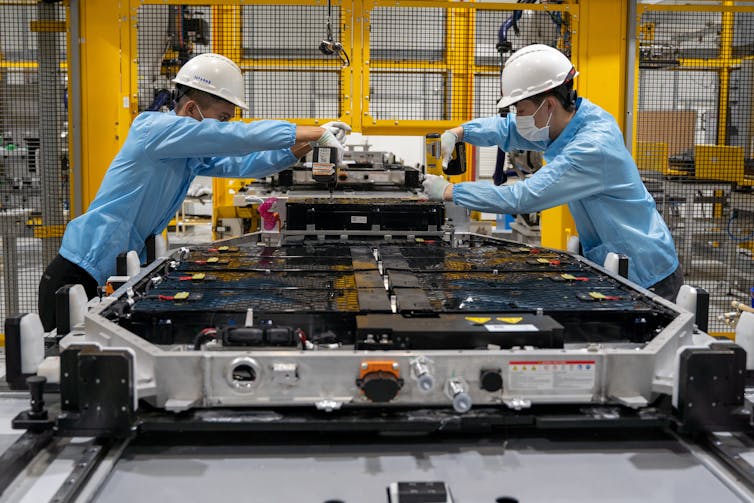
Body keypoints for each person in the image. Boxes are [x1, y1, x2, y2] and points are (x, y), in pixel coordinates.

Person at [38, 52, 351, 331]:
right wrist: (315, 131)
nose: (226, 126)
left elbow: (245, 165)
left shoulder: (184, 153)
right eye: (223, 118)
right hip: (77, 276)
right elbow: (237, 138)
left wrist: (308, 144)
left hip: (117, 270)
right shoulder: (153, 129)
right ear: (190, 108)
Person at [422, 44, 682, 301]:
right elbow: (509, 129)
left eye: (521, 110)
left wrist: (450, 191)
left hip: (647, 272)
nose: (518, 117)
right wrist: (460, 132)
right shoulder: (568, 123)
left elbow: (524, 197)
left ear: (548, 105)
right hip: (616, 260)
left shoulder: (591, 146)